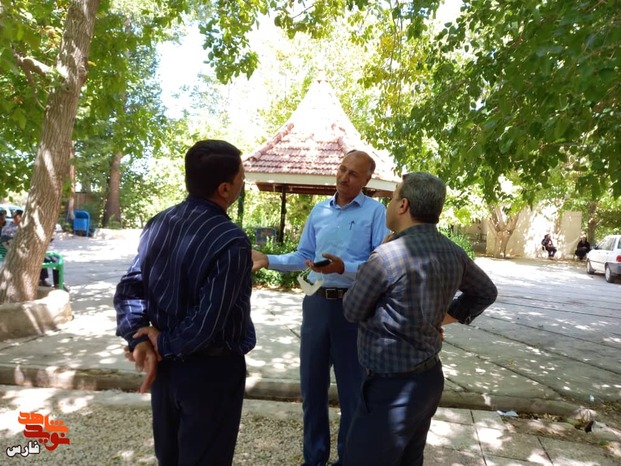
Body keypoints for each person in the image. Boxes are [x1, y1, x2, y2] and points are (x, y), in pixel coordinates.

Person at [342, 172, 498, 466]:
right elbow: (486, 292)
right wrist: (443, 318)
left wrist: (372, 259)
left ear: (403, 205)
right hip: (428, 380)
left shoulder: (385, 257)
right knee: (409, 459)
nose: (389, 205)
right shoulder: (453, 252)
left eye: (392, 199)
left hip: (390, 388)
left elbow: (352, 310)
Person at [114, 139, 255, 466]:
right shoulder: (231, 241)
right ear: (224, 189)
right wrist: (156, 343)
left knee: (170, 457)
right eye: (241, 177)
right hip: (211, 373)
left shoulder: (159, 223)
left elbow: (129, 288)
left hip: (166, 370)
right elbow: (207, 322)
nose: (243, 183)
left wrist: (139, 338)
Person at [252, 150, 389, 466]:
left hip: (353, 308)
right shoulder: (319, 210)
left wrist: (343, 268)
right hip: (316, 305)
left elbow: (379, 263)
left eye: (353, 174)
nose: (344, 177)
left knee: (353, 392)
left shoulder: (376, 212)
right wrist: (268, 259)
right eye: (342, 169)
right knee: (312, 388)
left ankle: (349, 459)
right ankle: (314, 458)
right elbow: (304, 256)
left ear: (367, 179)